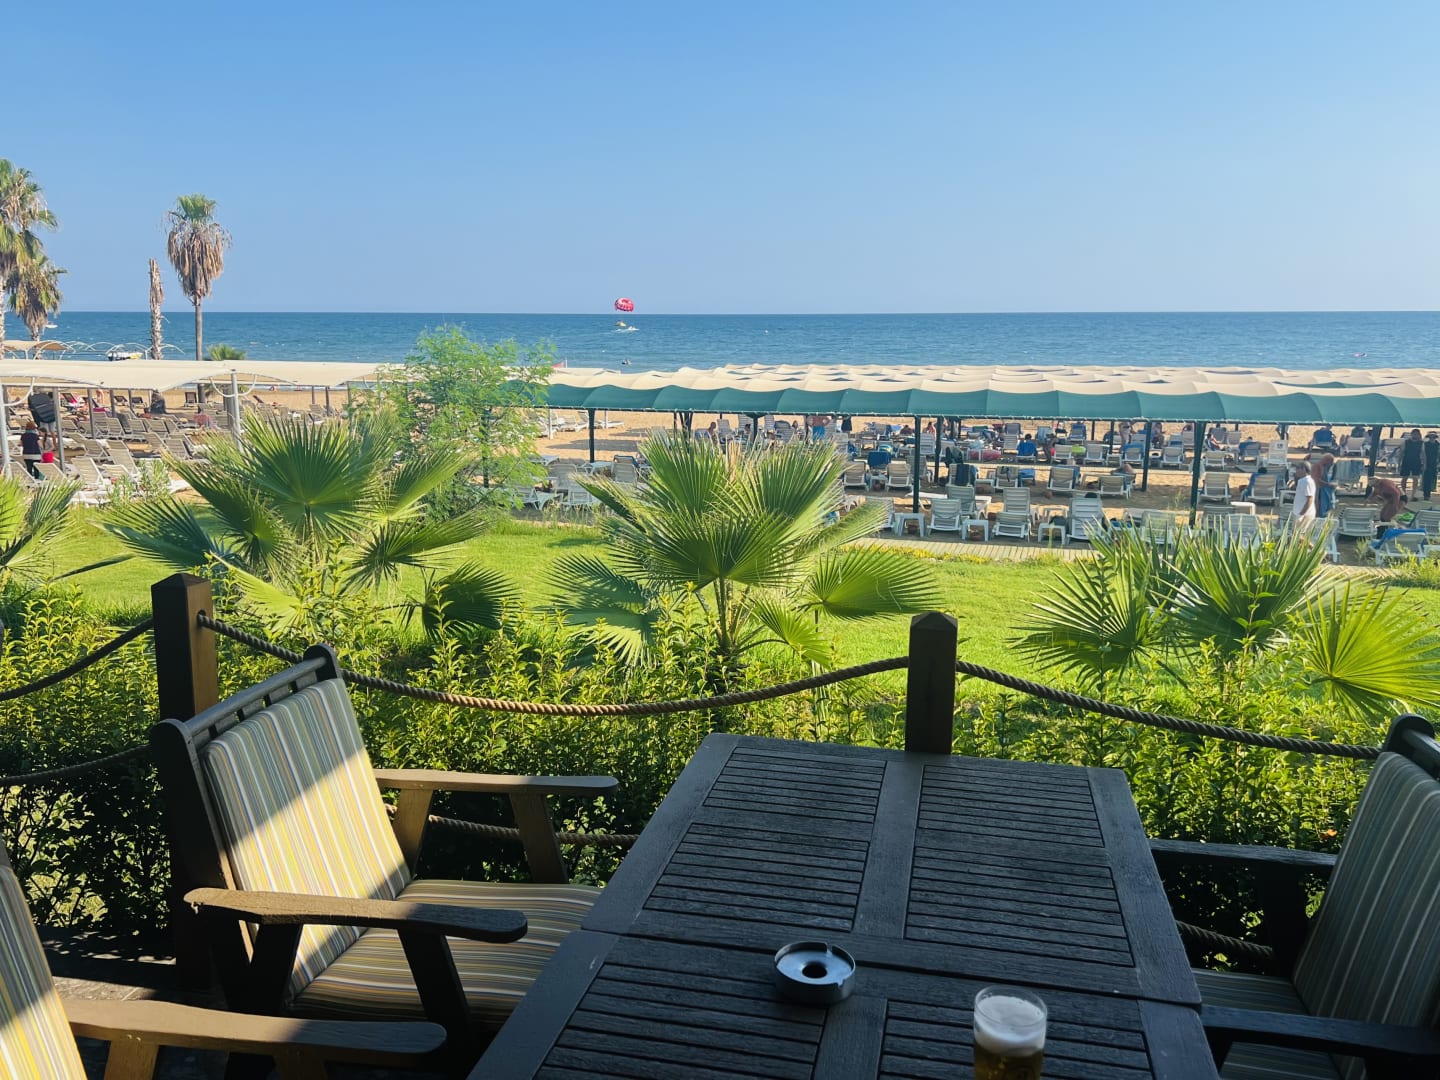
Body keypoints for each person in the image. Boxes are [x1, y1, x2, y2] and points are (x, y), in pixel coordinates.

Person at [1310, 453, 1337, 518]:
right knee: (1317, 506)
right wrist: (1328, 484)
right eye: (1331, 462)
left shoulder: (1324, 467)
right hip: (1316, 490)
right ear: (1327, 460)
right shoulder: (1317, 466)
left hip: (1321, 490)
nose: (1331, 464)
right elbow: (1316, 479)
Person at [1400, 428, 1424, 496]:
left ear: (1419, 435)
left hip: (1416, 461)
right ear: (1411, 434)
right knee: (1404, 478)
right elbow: (1401, 452)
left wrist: (1424, 463)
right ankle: (1403, 493)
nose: (1415, 435)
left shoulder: (1421, 443)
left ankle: (1413, 494)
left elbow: (1423, 454)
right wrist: (1399, 462)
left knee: (1415, 478)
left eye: (1417, 434)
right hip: (1406, 461)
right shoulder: (1406, 442)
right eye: (1414, 434)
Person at [1292, 462, 1317, 527]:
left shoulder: (1307, 481)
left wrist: (1301, 514)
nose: (1296, 471)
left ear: (1304, 469)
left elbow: (1310, 499)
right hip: (1298, 513)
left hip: (1304, 515)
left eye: (1298, 468)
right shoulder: (1302, 480)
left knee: (1301, 533)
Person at [1424, 432, 1440, 502]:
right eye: (1430, 437)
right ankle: (1426, 495)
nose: (1432, 438)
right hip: (1427, 464)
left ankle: (1431, 490)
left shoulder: (1438, 445)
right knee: (1427, 479)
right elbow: (1423, 454)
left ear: (1435, 437)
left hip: (1435, 464)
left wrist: (1438, 463)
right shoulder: (1425, 444)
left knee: (1433, 478)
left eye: (1433, 437)